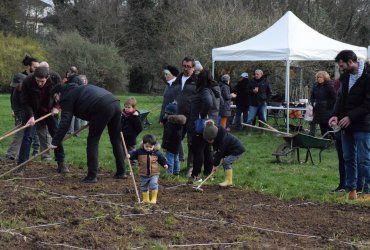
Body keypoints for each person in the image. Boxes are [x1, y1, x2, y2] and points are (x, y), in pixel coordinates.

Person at [50, 82, 127, 183]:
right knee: (116, 139)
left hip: (101, 106)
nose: (57, 102)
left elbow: (65, 121)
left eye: (55, 98)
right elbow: (88, 102)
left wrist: (55, 142)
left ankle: (92, 176)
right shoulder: (77, 88)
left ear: (58, 94)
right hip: (114, 102)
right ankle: (121, 172)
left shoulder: (66, 97)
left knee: (93, 140)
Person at [328, 50, 370, 200]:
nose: (341, 69)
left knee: (364, 159)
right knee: (348, 158)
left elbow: (368, 104)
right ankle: (351, 190)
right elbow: (341, 100)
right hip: (346, 125)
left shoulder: (367, 76)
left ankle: (367, 191)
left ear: (351, 62)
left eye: (342, 65)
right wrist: (334, 114)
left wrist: (350, 117)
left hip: (363, 125)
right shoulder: (345, 78)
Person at [16, 66, 67, 175]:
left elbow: (62, 94)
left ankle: (61, 163)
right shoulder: (27, 81)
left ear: (47, 77)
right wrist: (30, 116)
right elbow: (24, 101)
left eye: (42, 81)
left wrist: (57, 107)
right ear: (34, 77)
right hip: (33, 112)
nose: (40, 83)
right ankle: (21, 166)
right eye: (38, 81)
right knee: (28, 136)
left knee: (56, 134)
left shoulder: (55, 78)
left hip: (49, 111)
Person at [187, 69, 221, 183]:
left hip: (201, 125)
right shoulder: (214, 89)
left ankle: (195, 174)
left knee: (198, 150)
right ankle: (208, 173)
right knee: (207, 150)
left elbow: (208, 102)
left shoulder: (205, 90)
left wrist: (201, 115)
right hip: (211, 123)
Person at [173, 56, 197, 177]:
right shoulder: (178, 79)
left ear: (193, 68)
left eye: (188, 66)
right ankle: (174, 167)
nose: (186, 68)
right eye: (184, 66)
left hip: (192, 116)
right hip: (178, 115)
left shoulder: (197, 80)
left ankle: (190, 169)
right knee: (175, 140)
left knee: (191, 142)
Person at [203, 120, 245, 187]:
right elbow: (218, 153)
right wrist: (215, 165)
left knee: (226, 162)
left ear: (214, 137)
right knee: (225, 161)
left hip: (237, 150)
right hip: (230, 150)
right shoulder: (218, 136)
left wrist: (214, 166)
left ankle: (228, 181)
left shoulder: (222, 140)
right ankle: (228, 180)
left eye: (210, 140)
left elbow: (219, 154)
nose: (209, 142)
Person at [128, 134, 168, 204]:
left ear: (154, 145)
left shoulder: (156, 153)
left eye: (151, 147)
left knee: (153, 184)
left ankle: (153, 199)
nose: (148, 148)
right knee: (143, 186)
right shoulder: (139, 152)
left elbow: (162, 159)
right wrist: (129, 155)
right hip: (143, 173)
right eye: (146, 146)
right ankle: (146, 199)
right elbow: (133, 155)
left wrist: (164, 164)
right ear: (143, 144)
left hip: (154, 173)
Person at [162, 101, 186, 176]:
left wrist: (164, 146)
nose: (165, 114)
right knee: (176, 159)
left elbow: (167, 136)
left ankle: (169, 174)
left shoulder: (170, 124)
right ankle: (176, 172)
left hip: (170, 145)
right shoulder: (179, 123)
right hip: (177, 145)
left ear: (170, 114)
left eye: (166, 113)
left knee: (169, 160)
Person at [309, 71, 336, 137]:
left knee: (328, 125)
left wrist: (328, 106)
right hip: (317, 109)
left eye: (320, 77)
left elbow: (334, 98)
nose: (319, 79)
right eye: (318, 77)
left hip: (327, 110)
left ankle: (335, 139)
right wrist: (313, 102)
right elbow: (312, 96)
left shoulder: (329, 86)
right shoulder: (315, 86)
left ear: (325, 78)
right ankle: (324, 139)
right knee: (321, 125)